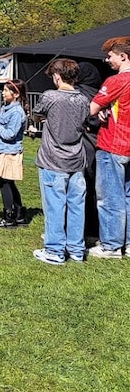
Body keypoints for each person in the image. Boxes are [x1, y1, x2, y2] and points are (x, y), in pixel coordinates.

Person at [31, 59, 91, 264]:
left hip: (53, 159)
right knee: (77, 205)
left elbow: (37, 114)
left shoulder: (51, 96)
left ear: (57, 76)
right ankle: (76, 249)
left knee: (55, 205)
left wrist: (44, 121)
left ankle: (55, 250)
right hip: (77, 158)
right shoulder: (83, 99)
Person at [88, 37, 130, 259]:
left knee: (109, 198)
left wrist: (101, 110)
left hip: (113, 144)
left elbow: (92, 108)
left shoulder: (115, 81)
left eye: (110, 56)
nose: (107, 60)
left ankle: (111, 246)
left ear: (123, 56)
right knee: (128, 196)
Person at [0, 79, 29, 228]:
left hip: (10, 152)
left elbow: (10, 134)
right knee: (8, 182)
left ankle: (9, 216)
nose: (3, 93)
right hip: (2, 149)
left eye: (6, 90)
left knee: (5, 183)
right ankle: (19, 213)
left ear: (16, 94)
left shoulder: (17, 112)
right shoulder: (6, 108)